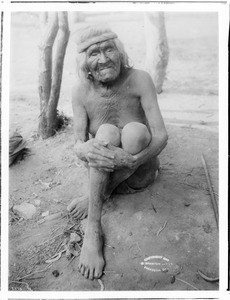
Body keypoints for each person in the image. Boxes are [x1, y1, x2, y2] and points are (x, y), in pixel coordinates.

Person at [67, 25, 168, 280]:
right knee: (104, 136)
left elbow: (160, 135)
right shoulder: (80, 91)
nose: (103, 59)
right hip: (106, 168)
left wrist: (133, 159)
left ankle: (98, 196)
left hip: (139, 175)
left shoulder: (140, 78)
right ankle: (93, 230)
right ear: (85, 64)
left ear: (120, 52)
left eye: (108, 49)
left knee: (134, 132)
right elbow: (77, 143)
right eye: (94, 54)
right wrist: (84, 148)